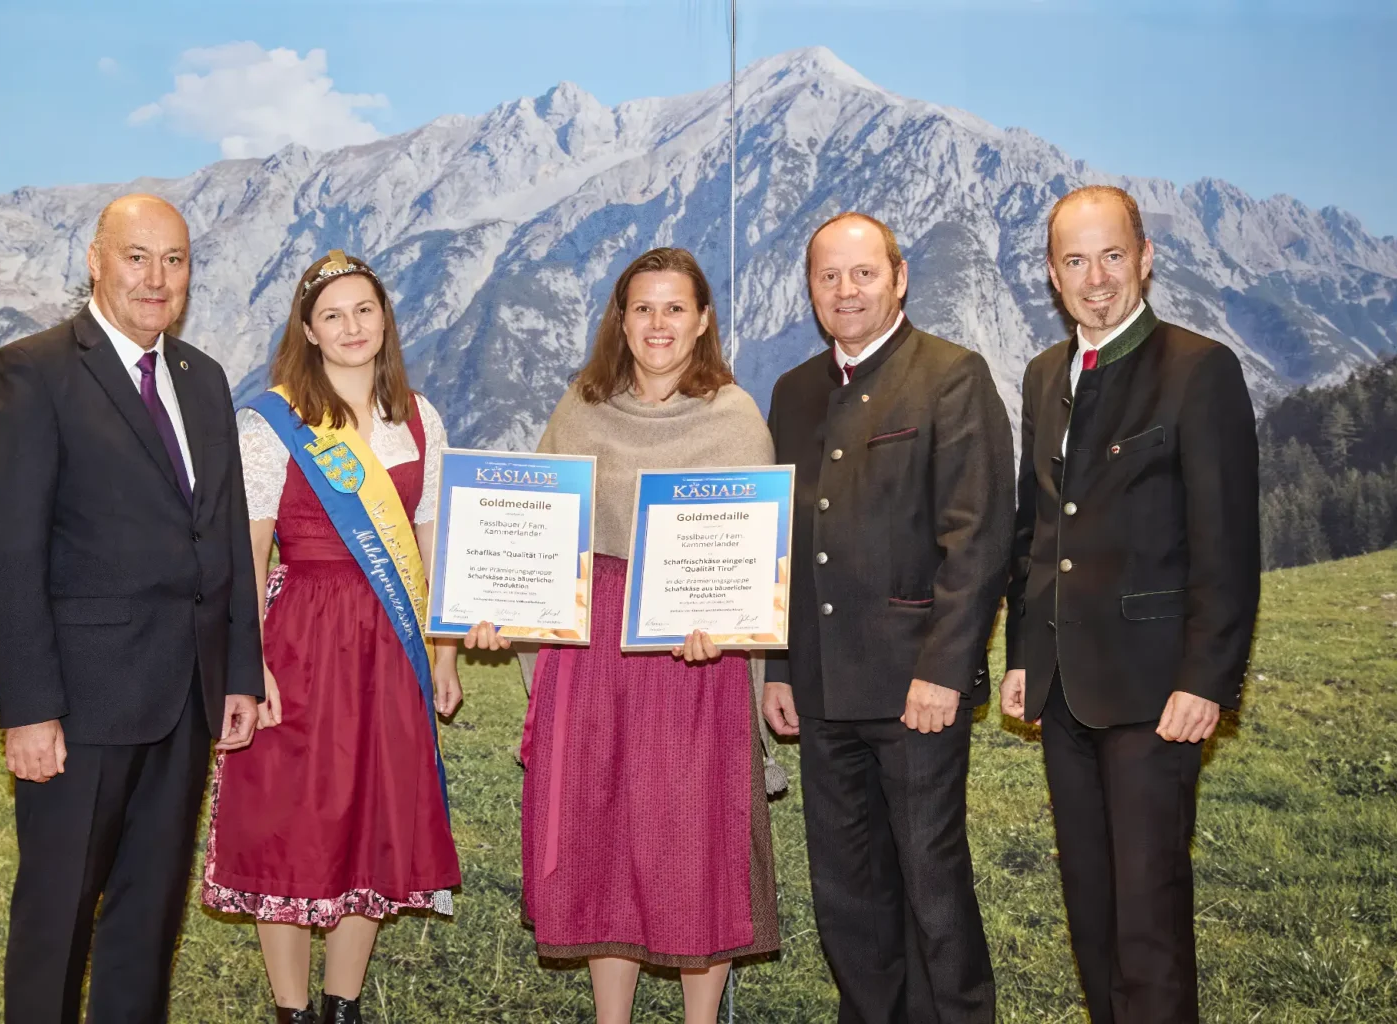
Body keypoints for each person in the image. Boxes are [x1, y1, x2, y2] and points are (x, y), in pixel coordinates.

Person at [0, 193, 264, 1023]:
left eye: (174, 260)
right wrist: (28, 709)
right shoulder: (32, 372)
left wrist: (240, 671)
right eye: (137, 257)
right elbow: (6, 556)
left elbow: (225, 534)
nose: (156, 278)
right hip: (80, 706)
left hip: (186, 698)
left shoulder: (203, 379)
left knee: (148, 920)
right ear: (96, 261)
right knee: (57, 918)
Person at [467, 247, 779, 1024]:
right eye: (643, 308)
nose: (658, 323)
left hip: (693, 659)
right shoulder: (582, 407)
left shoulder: (735, 418)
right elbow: (539, 534)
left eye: (675, 307)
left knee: (695, 838)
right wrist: (501, 604)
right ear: (621, 320)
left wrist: (726, 628)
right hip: (595, 651)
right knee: (600, 834)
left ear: (702, 321)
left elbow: (751, 563)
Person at [1001, 185, 1260, 1023]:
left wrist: (1206, 680)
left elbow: (1227, 545)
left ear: (1145, 258)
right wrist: (1021, 655)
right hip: (1062, 689)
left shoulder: (1199, 369)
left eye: (1112, 255)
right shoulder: (1044, 375)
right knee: (1091, 910)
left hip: (1157, 694)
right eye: (1076, 261)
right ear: (1053, 275)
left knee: (1149, 919)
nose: (1097, 278)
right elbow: (1038, 529)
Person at [764, 212, 1013, 1023]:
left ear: (899, 279)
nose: (846, 291)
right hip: (821, 688)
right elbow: (782, 542)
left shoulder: (951, 374)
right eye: (828, 276)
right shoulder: (794, 392)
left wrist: (945, 671)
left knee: (933, 891)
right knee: (847, 895)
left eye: (863, 273)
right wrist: (779, 667)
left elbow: (979, 538)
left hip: (916, 689)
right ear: (811, 289)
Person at [202, 251, 462, 1024]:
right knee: (287, 815)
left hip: (391, 638)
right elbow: (249, 550)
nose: (352, 327)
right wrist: (247, 664)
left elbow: (433, 539)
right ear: (309, 332)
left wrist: (444, 652)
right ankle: (292, 1010)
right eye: (333, 315)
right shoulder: (270, 422)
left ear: (385, 319)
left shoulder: (419, 418)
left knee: (376, 810)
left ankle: (343, 1004)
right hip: (301, 636)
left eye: (364, 310)